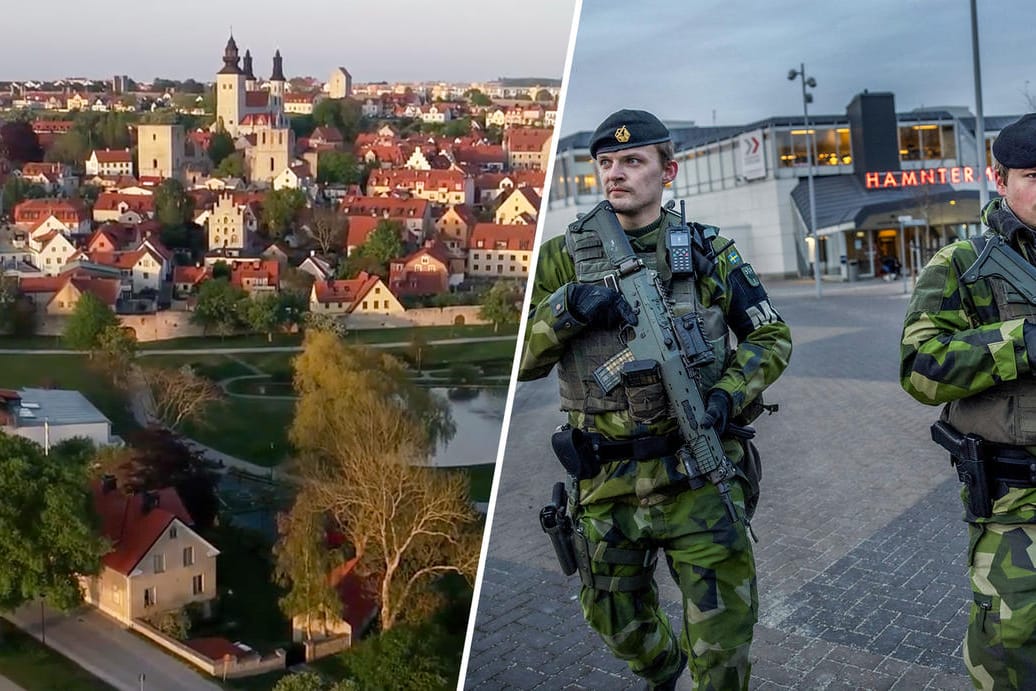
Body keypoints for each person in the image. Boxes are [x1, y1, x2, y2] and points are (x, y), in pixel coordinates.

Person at [518, 109, 792, 690]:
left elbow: (772, 336)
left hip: (698, 475)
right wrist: (568, 308)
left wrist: (726, 394)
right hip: (606, 481)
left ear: (669, 171)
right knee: (616, 622)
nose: (615, 174)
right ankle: (664, 673)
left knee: (723, 651)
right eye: (606, 163)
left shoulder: (708, 250)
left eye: (633, 161)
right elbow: (520, 362)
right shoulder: (562, 259)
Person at [901, 112, 1036, 688]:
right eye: (1034, 175)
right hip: (1018, 507)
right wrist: (1021, 342)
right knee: (1007, 656)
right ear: (999, 179)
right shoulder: (961, 266)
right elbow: (919, 368)